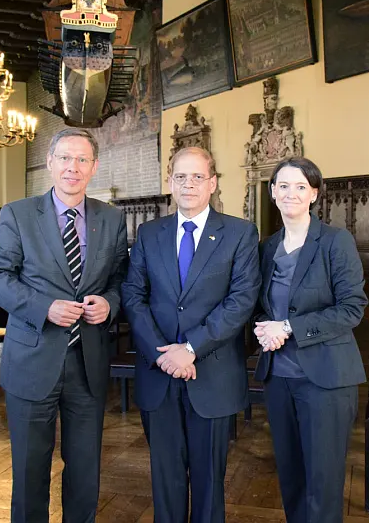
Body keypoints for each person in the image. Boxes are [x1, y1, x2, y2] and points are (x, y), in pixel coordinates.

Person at [0, 128, 129, 523]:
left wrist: (110, 303)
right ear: (50, 163)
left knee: (85, 469)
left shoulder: (112, 218)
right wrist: (44, 307)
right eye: (65, 158)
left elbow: (121, 278)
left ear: (94, 167)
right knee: (31, 470)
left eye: (82, 160)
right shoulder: (17, 214)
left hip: (88, 362)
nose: (73, 167)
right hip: (33, 358)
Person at [122, 147, 261, 523]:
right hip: (159, 375)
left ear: (212, 183)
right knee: (164, 481)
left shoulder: (239, 233)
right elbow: (133, 296)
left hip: (212, 376)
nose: (189, 184)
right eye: (181, 177)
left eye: (197, 176)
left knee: (209, 482)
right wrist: (163, 355)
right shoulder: (149, 233)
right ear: (170, 183)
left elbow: (241, 301)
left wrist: (190, 349)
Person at [252, 156, 368, 523]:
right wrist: (262, 327)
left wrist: (287, 328)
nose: (291, 193)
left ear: (314, 193)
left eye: (301, 186)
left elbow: (353, 308)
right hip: (279, 378)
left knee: (322, 480)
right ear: (272, 193)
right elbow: (262, 306)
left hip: (326, 379)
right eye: (283, 186)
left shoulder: (336, 241)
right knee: (290, 475)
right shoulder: (267, 248)